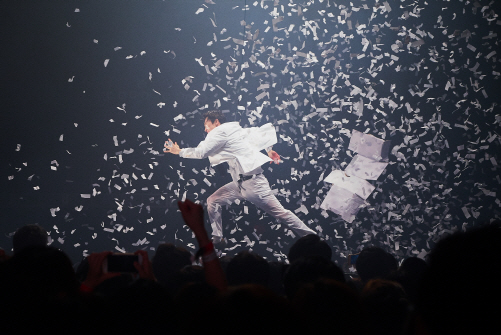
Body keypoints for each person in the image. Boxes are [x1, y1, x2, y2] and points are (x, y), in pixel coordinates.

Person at [164, 110, 316, 245]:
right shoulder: (235, 132)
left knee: (282, 214)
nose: (205, 129)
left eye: (207, 125)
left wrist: (179, 151)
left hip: (255, 185)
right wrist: (269, 150)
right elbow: (257, 133)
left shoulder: (220, 131)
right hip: (239, 184)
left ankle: (312, 237)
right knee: (213, 201)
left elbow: (202, 152)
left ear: (216, 122)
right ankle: (217, 238)